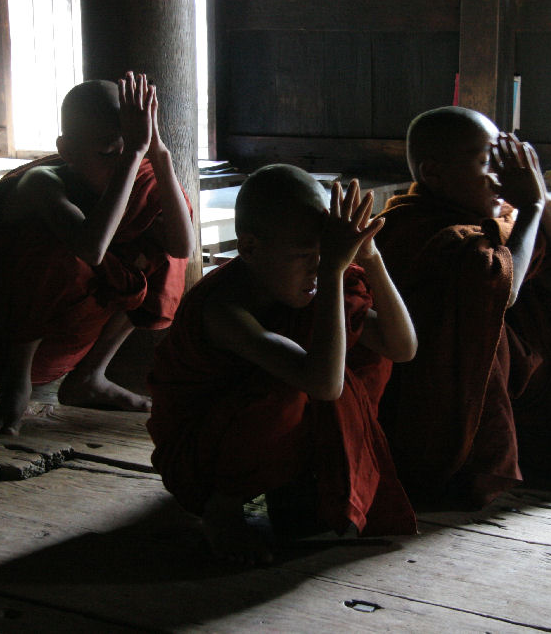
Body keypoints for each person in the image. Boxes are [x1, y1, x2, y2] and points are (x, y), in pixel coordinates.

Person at [148, 165, 418, 565]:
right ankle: (223, 510)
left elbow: (401, 347)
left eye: (325, 253)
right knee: (290, 389)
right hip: (201, 459)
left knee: (367, 354)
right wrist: (329, 273)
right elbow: (323, 384)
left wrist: (370, 257)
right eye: (303, 256)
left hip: (263, 441)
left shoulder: (315, 285)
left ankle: (297, 481)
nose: (318, 266)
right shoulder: (223, 308)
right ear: (251, 248)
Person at [375, 106, 551, 510]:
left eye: (505, 165)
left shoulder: (497, 221)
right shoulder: (411, 227)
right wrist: (530, 209)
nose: (502, 179)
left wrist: (537, 195)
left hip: (504, 383)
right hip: (434, 404)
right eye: (485, 165)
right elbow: (500, 288)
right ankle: (477, 461)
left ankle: (544, 444)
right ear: (433, 173)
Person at [0, 73, 194, 436]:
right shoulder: (42, 182)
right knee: (54, 247)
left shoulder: (140, 167)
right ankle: (16, 388)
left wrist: (158, 153)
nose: (122, 164)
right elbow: (91, 249)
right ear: (65, 149)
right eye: (108, 153)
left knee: (159, 248)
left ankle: (90, 377)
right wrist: (131, 154)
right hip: (0, 343)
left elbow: (182, 248)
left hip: (70, 337)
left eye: (130, 148)